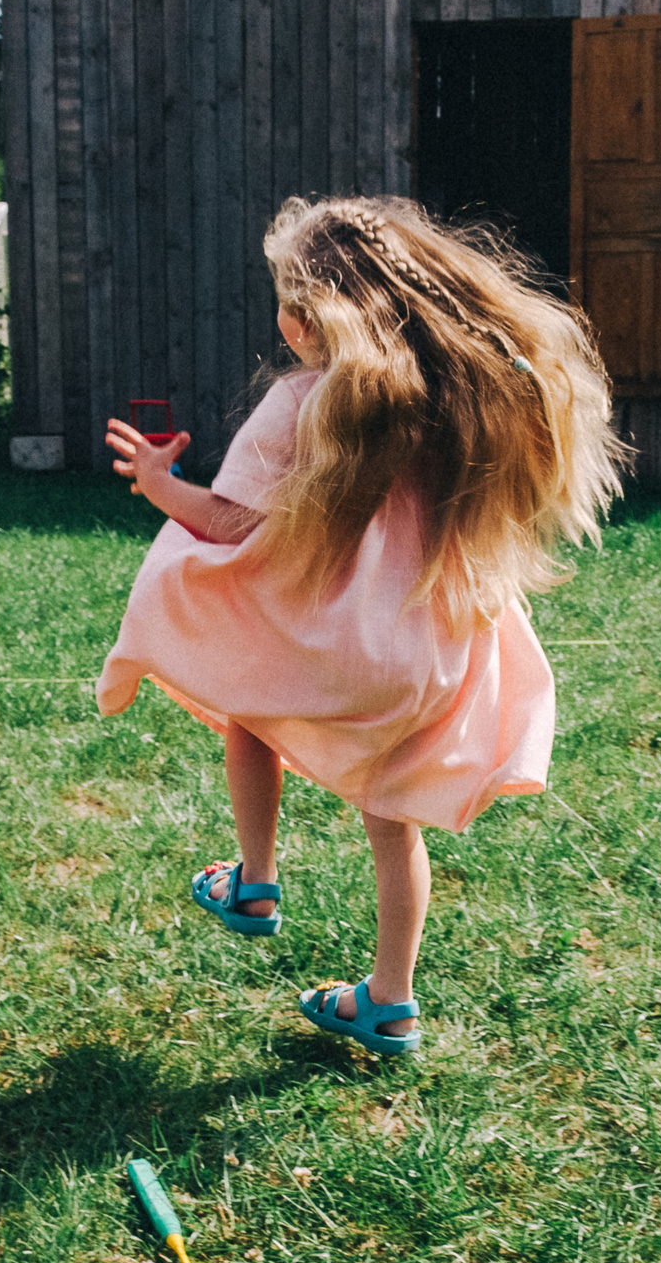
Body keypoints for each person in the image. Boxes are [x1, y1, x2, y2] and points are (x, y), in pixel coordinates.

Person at [98, 196, 626, 1056]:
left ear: (305, 321)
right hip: (422, 658)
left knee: (247, 703)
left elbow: (228, 523)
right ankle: (390, 1000)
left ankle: (256, 881)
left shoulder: (302, 403)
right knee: (393, 823)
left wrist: (159, 481)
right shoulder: (454, 403)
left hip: (330, 648)